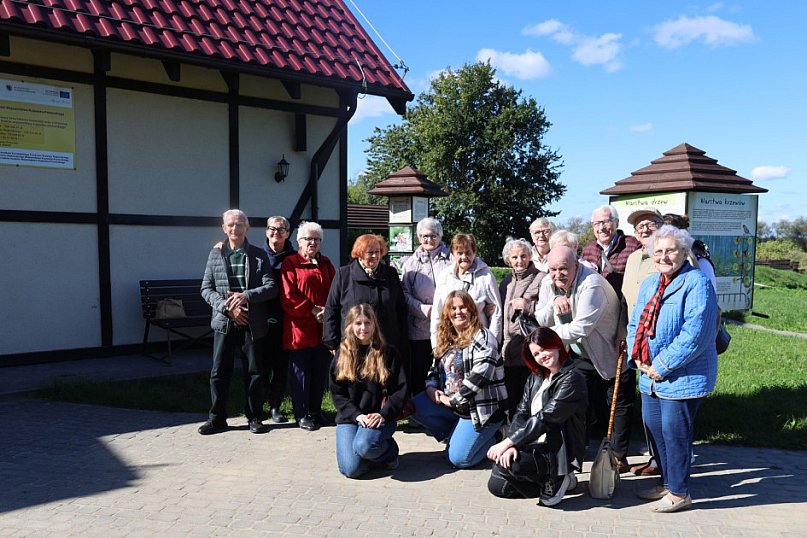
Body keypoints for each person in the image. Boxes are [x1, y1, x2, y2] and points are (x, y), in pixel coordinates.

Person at [627, 225, 718, 513]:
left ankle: (680, 492)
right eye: (659, 251)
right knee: (655, 430)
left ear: (684, 252)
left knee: (675, 432)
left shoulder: (697, 282)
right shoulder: (650, 284)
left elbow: (696, 333)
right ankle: (666, 483)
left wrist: (662, 365)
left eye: (671, 250)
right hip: (649, 375)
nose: (664, 256)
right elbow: (634, 324)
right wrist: (638, 357)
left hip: (682, 375)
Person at [532, 245, 634, 472]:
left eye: (563, 269)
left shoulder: (592, 284)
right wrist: (553, 302)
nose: (558, 274)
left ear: (576, 265)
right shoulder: (550, 283)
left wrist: (545, 339)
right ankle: (576, 454)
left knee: (616, 405)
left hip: (608, 351)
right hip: (580, 354)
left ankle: (618, 457)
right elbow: (541, 317)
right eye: (553, 269)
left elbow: (582, 329)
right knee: (578, 405)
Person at [487, 327, 587, 506]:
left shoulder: (573, 378)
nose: (542, 356)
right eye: (537, 353)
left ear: (557, 345)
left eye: (545, 348)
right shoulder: (536, 377)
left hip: (557, 449)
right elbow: (521, 412)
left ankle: (558, 475)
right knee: (496, 485)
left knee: (509, 465)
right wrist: (512, 443)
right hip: (532, 442)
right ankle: (547, 481)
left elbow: (545, 418)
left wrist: (509, 442)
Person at [199, 209, 277, 435]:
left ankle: (255, 417)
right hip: (225, 321)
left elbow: (271, 287)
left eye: (239, 224)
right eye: (230, 225)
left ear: (247, 227)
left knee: (254, 373)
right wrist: (227, 308)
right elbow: (206, 288)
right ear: (224, 228)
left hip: (252, 322)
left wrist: (245, 296)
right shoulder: (215, 255)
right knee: (219, 372)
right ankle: (217, 419)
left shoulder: (259, 255)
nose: (235, 228)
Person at [411, 290, 508, 468]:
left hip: (479, 410)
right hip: (454, 407)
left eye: (463, 307)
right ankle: (457, 436)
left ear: (471, 310)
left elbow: (481, 376)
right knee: (415, 405)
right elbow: (434, 369)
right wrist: (431, 388)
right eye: (453, 308)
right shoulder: (447, 338)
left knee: (459, 459)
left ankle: (497, 436)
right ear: (447, 313)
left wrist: (452, 400)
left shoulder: (484, 337)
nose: (458, 312)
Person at [330, 304, 408, 478]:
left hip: (379, 417)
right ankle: (370, 455)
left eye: (367, 322)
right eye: (358, 323)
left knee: (364, 446)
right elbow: (338, 394)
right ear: (350, 326)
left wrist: (383, 414)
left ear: (374, 325)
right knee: (351, 469)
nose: (363, 328)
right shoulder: (341, 356)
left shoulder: (389, 353)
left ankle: (389, 451)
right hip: (351, 418)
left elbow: (400, 391)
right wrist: (357, 415)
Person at [621, 207, 666, 477]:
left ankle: (669, 468)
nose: (644, 230)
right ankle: (656, 459)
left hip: (661, 343)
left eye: (650, 224)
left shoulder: (670, 257)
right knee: (649, 406)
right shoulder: (635, 257)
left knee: (665, 409)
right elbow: (628, 301)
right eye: (639, 227)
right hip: (638, 342)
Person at [280, 221, 335, 431]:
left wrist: (327, 312)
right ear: (299, 241)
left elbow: (335, 290)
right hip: (300, 328)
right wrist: (312, 310)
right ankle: (301, 414)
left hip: (323, 328)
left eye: (316, 239)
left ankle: (316, 411)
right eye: (308, 239)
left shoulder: (326, 263)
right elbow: (287, 295)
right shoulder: (291, 263)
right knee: (301, 374)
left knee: (320, 372)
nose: (312, 243)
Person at [323, 234, 409, 357]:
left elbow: (401, 309)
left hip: (385, 346)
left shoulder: (390, 274)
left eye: (377, 252)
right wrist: (332, 342)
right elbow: (331, 309)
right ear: (360, 253)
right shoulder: (344, 275)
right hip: (352, 346)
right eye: (370, 252)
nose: (375, 256)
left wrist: (402, 341)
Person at [401, 217, 453, 395]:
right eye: (424, 236)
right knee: (420, 370)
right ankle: (419, 414)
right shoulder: (410, 264)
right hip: (419, 328)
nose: (428, 240)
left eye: (433, 236)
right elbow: (404, 294)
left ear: (440, 236)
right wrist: (425, 310)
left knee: (448, 369)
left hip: (449, 326)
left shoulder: (452, 259)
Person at [499, 238, 546, 419]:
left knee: (530, 397)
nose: (519, 261)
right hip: (508, 349)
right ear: (508, 260)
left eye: (523, 256)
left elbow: (547, 309)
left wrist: (527, 305)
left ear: (530, 256)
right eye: (515, 257)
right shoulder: (506, 282)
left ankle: (530, 438)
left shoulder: (541, 278)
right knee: (512, 398)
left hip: (529, 347)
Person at [430, 233, 502, 349]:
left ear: (474, 253)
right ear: (453, 254)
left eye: (468, 253)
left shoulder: (486, 277)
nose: (464, 257)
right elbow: (437, 311)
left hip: (479, 342)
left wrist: (492, 344)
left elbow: (496, 313)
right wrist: (436, 344)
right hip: (450, 340)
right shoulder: (444, 276)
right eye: (459, 253)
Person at [262, 216, 296, 423]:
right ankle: (257, 405)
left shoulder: (294, 257)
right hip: (260, 318)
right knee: (260, 366)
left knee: (281, 365)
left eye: (281, 229)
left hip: (286, 318)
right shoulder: (257, 255)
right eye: (272, 229)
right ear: (266, 231)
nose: (276, 232)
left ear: (288, 233)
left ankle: (275, 406)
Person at [581, 205, 641, 300]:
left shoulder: (632, 246)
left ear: (616, 223)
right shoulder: (588, 250)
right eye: (597, 224)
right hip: (595, 306)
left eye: (606, 222)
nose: (601, 228)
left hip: (621, 308)